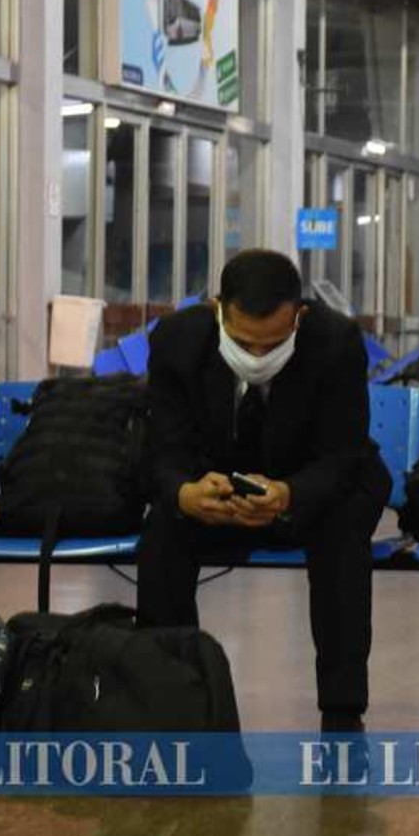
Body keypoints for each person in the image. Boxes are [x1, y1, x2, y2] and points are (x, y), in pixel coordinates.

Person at [137, 250, 390, 732]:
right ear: (218, 310)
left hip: (308, 492)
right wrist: (185, 493)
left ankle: (342, 708)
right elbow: (162, 448)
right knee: (163, 531)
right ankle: (169, 694)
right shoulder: (177, 341)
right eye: (242, 343)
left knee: (343, 531)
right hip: (216, 491)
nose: (257, 358)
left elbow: (343, 453)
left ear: (300, 316)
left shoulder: (336, 343)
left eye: (271, 345)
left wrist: (290, 494)